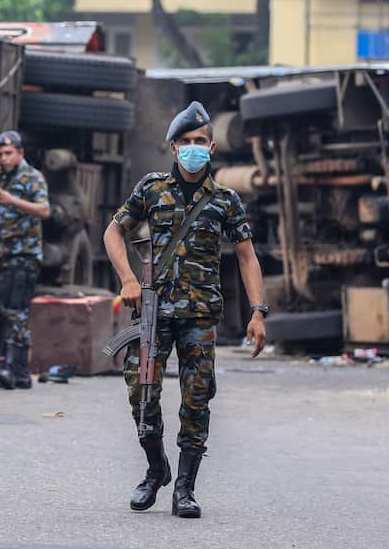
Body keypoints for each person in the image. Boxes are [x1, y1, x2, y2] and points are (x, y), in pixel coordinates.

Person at [102, 101, 268, 518]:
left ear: (212, 148)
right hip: (154, 313)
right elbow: (113, 232)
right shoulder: (152, 188)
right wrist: (126, 279)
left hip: (199, 315)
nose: (193, 148)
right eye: (186, 142)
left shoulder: (226, 200)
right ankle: (156, 469)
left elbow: (247, 257)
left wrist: (258, 312)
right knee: (142, 393)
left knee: (196, 400)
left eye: (200, 141)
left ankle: (185, 489)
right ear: (172, 147)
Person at [0, 130, 51, 389]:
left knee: (17, 312)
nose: (3, 158)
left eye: (8, 153)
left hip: (25, 254)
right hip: (6, 253)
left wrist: (12, 199)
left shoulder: (32, 177)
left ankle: (12, 367)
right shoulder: (3, 179)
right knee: (9, 311)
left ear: (21, 153)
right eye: (0, 154)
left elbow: (44, 210)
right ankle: (20, 372)